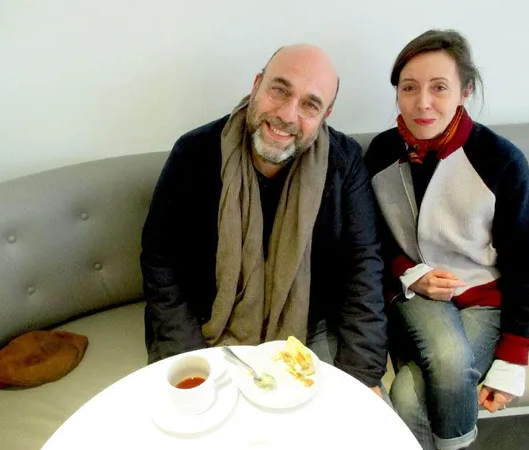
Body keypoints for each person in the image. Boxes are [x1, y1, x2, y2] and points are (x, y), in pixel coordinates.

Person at [141, 44, 388, 395]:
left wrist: (362, 375)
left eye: (310, 104)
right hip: (205, 323)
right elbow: (161, 262)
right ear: (257, 84)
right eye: (280, 90)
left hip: (311, 325)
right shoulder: (194, 153)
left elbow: (363, 267)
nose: (287, 114)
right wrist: (190, 360)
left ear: (326, 114)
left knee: (358, 422)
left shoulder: (344, 163)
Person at [364, 30, 529, 449]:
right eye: (409, 88)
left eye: (439, 88)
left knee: (407, 397)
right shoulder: (381, 154)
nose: (422, 103)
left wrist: (513, 358)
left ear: (465, 91)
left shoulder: (500, 160)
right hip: (412, 294)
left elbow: (527, 263)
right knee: (447, 359)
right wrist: (409, 273)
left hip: (483, 299)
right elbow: (371, 240)